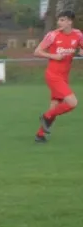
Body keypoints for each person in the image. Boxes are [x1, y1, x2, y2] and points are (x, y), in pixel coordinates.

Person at [34, 10, 83, 143]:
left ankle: (40, 135)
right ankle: (45, 116)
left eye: (62, 20)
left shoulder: (78, 35)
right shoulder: (53, 35)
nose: (59, 22)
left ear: (70, 22)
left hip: (64, 76)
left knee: (54, 107)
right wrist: (53, 56)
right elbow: (37, 52)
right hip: (53, 75)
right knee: (72, 103)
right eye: (59, 20)